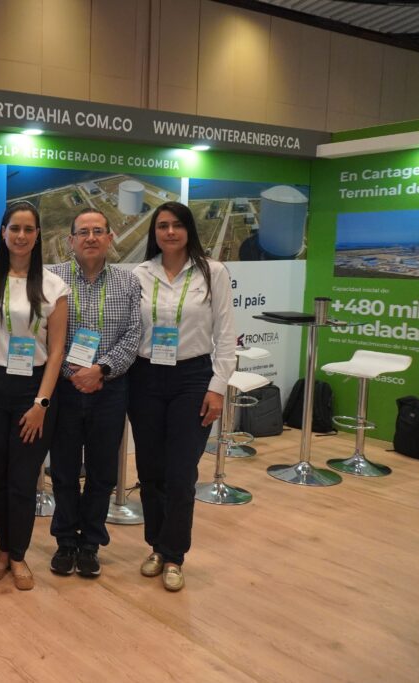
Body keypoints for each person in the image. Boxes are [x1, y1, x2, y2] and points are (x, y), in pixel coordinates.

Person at [127, 201, 235, 592]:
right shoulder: (140, 273)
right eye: (162, 226)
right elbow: (129, 329)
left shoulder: (213, 272)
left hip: (192, 377)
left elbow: (226, 335)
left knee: (181, 472)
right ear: (154, 232)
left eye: (176, 225)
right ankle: (156, 547)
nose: (169, 232)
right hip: (145, 376)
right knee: (150, 470)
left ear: (189, 229)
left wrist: (218, 388)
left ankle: (174, 554)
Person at [0, 201, 69, 591]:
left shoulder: (53, 286)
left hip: (34, 389)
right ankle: (3, 550)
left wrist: (41, 404)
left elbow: (57, 351)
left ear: (38, 235)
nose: (21, 235)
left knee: (23, 479)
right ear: (3, 232)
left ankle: (19, 555)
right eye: (15, 228)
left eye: (29, 229)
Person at [46, 208, 142, 578]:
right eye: (83, 232)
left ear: (109, 238)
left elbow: (133, 335)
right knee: (65, 470)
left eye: (98, 231)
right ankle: (65, 541)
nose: (90, 238)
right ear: (71, 240)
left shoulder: (128, 281)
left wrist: (100, 370)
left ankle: (90, 544)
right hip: (65, 389)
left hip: (109, 388)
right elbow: (44, 332)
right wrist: (73, 375)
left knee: (102, 472)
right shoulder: (53, 278)